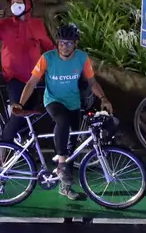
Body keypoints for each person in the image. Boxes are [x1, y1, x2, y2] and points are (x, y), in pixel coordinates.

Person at [14, 24, 114, 201]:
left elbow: (92, 82)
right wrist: (20, 104)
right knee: (62, 122)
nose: (64, 46)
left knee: (71, 147)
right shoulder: (47, 58)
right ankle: (60, 163)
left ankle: (65, 187)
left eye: (68, 43)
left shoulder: (82, 58)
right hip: (53, 100)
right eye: (61, 43)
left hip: (73, 103)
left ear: (75, 44)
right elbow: (32, 82)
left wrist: (104, 98)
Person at [0, 0, 54, 144]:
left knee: (30, 117)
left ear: (28, 4)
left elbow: (48, 48)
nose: (15, 5)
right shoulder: (5, 24)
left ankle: (25, 152)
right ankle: (1, 152)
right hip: (14, 78)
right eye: (12, 3)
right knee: (18, 114)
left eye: (19, 2)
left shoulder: (37, 24)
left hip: (34, 78)